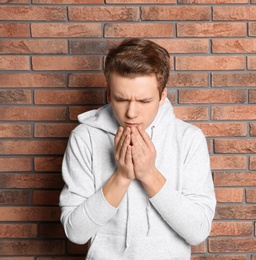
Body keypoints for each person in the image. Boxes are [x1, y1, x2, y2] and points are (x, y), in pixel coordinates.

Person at [59, 38, 216, 259]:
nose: (131, 113)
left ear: (162, 96)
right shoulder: (84, 138)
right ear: (108, 94)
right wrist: (122, 177)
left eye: (144, 101)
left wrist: (149, 174)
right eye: (121, 99)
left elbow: (197, 232)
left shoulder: (189, 139)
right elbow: (76, 233)